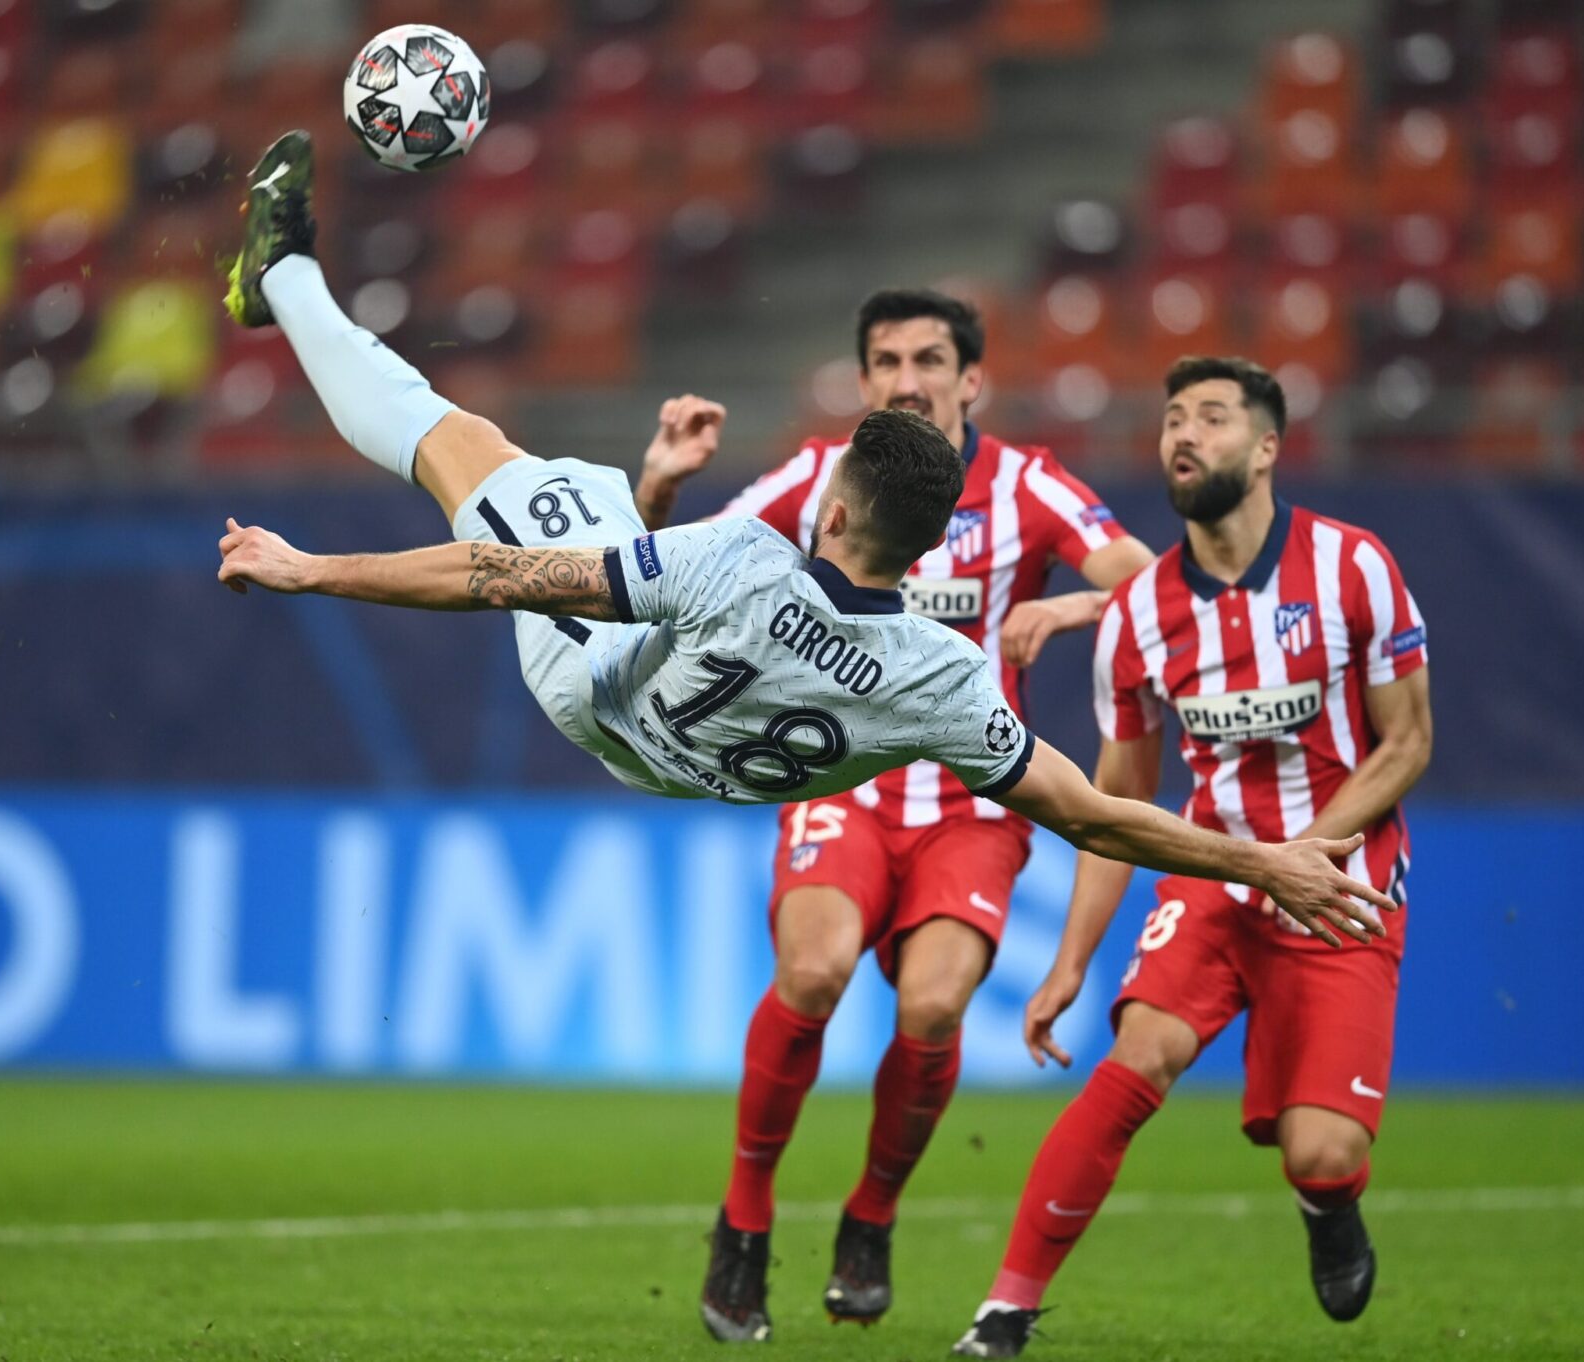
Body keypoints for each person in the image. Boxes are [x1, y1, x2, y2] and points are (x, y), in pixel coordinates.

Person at [212, 131, 1392, 1315]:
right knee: (829, 967)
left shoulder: (742, 559)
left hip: (597, 684)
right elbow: (1093, 815)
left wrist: (311, 568)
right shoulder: (937, 675)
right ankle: (770, 1218)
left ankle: (286, 280)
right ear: (933, 546)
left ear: (831, 499)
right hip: (704, 768)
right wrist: (1260, 862)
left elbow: (492, 577)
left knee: (458, 443)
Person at [629, 289, 1154, 1340]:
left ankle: (869, 1216)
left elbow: (1157, 584)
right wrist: (656, 485)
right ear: (862, 382)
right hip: (843, 785)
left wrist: (1077, 604)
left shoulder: (1029, 488)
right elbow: (658, 571)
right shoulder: (824, 480)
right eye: (883, 361)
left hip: (970, 799)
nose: (905, 378)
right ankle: (742, 1223)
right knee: (812, 972)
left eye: (926, 359)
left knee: (932, 1006)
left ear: (970, 380)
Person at [950, 357, 1434, 1359]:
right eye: (1171, 417)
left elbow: (1405, 743)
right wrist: (1072, 961)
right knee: (1137, 1058)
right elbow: (1113, 803)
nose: (1182, 433)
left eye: (1211, 417)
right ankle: (1004, 1311)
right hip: (1215, 878)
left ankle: (1325, 1204)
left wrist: (1302, 855)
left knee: (1323, 1152)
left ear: (1265, 448)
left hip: (1340, 891)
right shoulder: (1132, 617)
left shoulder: (1351, 567)